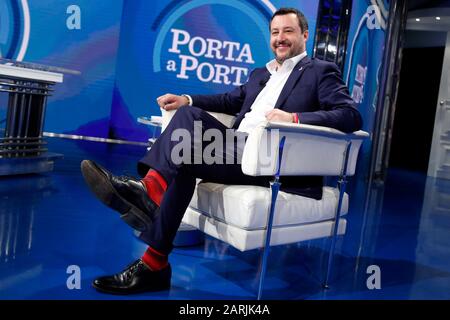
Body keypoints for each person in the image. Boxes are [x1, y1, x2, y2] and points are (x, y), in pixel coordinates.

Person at [81, 7, 362, 294]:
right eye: (275, 32)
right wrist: (186, 98)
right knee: (185, 134)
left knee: (187, 129)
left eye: (288, 31)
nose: (280, 38)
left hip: (271, 162)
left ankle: (149, 193)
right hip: (234, 149)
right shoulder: (260, 74)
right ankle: (155, 263)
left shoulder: (319, 71)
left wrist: (295, 119)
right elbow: (229, 100)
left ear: (305, 35)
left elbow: (350, 115)